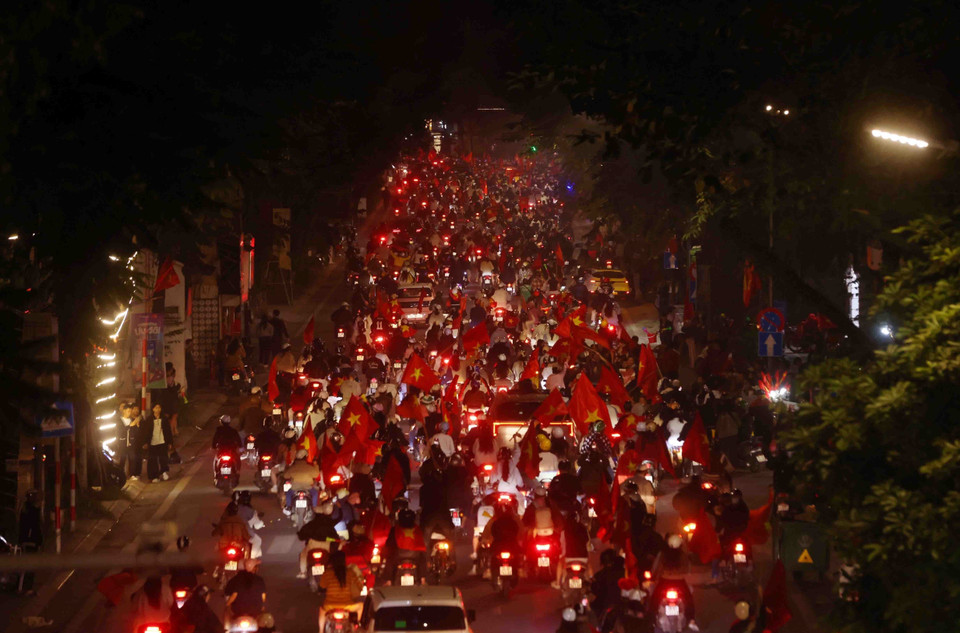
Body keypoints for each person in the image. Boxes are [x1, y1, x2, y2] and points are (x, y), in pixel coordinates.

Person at [317, 550, 365, 633]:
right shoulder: (350, 572)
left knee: (322, 610)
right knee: (361, 606)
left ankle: (320, 631)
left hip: (330, 606)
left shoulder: (327, 573)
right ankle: (357, 627)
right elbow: (358, 585)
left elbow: (321, 586)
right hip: (347, 606)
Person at [381, 509, 427, 585]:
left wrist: (383, 554)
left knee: (389, 561)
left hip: (398, 556)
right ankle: (423, 579)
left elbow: (389, 545)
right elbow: (422, 545)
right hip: (415, 556)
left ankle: (388, 581)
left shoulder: (395, 529)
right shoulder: (417, 529)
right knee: (422, 559)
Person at [296, 501, 340, 579]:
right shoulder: (329, 524)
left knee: (303, 554)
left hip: (312, 546)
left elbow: (301, 536)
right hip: (327, 547)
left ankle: (303, 572)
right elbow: (334, 537)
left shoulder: (311, 524)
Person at [223, 558, 267, 626]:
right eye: (256, 567)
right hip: (255, 612)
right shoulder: (259, 580)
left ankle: (227, 629)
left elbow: (233, 595)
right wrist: (262, 606)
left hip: (237, 611)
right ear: (254, 568)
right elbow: (263, 597)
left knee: (226, 613)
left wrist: (227, 605)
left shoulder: (236, 579)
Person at [17, 490, 42, 595]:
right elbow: (36, 528)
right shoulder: (33, 511)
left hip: (24, 541)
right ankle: (27, 588)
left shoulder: (23, 510)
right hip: (31, 541)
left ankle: (20, 586)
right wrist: (39, 542)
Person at [140, 403, 173, 482]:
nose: (158, 410)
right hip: (153, 442)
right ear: (153, 409)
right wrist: (145, 442)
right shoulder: (149, 419)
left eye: (159, 408)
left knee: (163, 458)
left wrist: (170, 442)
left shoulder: (164, 419)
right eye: (156, 408)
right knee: (153, 460)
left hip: (162, 441)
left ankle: (164, 472)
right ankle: (154, 476)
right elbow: (146, 432)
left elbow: (168, 431)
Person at [116, 402, 142, 481]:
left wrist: (137, 426)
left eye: (130, 411)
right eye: (128, 411)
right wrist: (129, 426)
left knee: (132, 458)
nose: (129, 413)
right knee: (122, 459)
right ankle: (119, 475)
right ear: (124, 411)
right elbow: (120, 431)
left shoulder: (131, 420)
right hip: (123, 443)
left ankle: (132, 474)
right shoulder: (120, 421)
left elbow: (135, 432)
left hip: (131, 443)